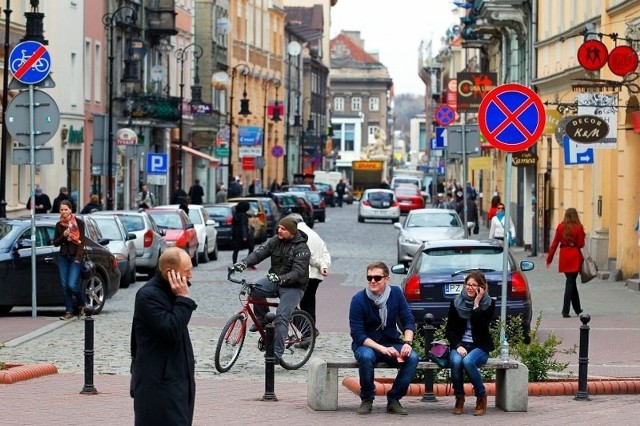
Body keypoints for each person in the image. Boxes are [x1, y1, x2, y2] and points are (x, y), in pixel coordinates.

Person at [130, 247, 197, 425]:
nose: (191, 275)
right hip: (158, 384)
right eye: (187, 271)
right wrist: (183, 299)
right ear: (170, 272)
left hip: (176, 380)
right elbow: (171, 330)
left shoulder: (171, 292)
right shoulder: (148, 295)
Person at [232, 217, 311, 364]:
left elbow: (298, 272)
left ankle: (277, 353)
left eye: (283, 229)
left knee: (282, 316)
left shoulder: (302, 249)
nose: (279, 230)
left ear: (292, 232)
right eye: (279, 227)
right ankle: (262, 321)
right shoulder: (275, 240)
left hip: (294, 286)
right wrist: (244, 263)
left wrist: (281, 279)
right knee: (255, 289)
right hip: (275, 279)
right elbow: (259, 253)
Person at [349, 261, 419, 415]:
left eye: (377, 278)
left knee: (413, 357)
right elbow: (358, 334)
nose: (372, 281)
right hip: (367, 344)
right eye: (369, 278)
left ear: (387, 279)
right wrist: (382, 349)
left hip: (392, 341)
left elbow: (408, 320)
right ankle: (367, 399)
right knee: (366, 357)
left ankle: (394, 399)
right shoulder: (358, 300)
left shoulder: (396, 294)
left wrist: (407, 343)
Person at [445, 271, 495, 416]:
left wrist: (477, 305)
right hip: (460, 345)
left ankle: (481, 396)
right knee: (455, 361)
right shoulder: (456, 302)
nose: (470, 288)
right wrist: (458, 345)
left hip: (480, 346)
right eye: (468, 284)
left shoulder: (489, 303)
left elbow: (483, 328)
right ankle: (459, 398)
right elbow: (450, 330)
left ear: (482, 287)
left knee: (467, 362)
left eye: (474, 285)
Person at [287, 213, 330, 335]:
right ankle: (309, 334)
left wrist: (321, 264)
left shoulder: (298, 233)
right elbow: (326, 253)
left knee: (288, 303)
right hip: (315, 276)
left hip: (303, 274)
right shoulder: (314, 234)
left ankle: (309, 331)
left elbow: (307, 254)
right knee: (308, 303)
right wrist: (324, 265)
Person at [545, 207, 585, 318]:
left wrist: (549, 259)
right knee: (570, 283)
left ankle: (578, 309)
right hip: (574, 256)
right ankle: (565, 310)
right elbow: (581, 244)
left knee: (571, 283)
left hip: (564, 256)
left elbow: (554, 244)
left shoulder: (560, 227)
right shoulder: (578, 227)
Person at [52, 200, 86, 320]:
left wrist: (78, 258)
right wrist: (64, 236)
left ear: (70, 210)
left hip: (75, 258)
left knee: (72, 285)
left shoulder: (79, 223)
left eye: (66, 209)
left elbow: (82, 243)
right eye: (61, 210)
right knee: (65, 286)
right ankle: (69, 311)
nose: (64, 212)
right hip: (63, 257)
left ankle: (82, 304)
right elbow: (55, 243)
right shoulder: (59, 225)